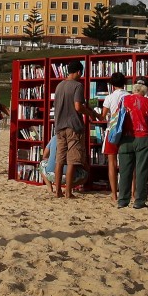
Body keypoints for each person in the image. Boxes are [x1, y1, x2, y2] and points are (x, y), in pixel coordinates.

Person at [52, 60, 101, 199]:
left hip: (59, 126)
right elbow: (78, 106)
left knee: (59, 159)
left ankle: (57, 191)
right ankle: (68, 192)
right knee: (72, 160)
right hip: (73, 126)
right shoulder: (78, 86)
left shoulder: (59, 86)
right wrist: (90, 113)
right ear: (79, 72)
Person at [116, 82, 148, 209]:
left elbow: (117, 118)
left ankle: (122, 200)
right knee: (141, 170)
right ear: (144, 92)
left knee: (124, 171)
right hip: (143, 138)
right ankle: (139, 201)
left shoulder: (124, 100)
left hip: (125, 139)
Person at [100, 72, 130, 203]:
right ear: (125, 83)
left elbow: (102, 116)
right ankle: (131, 192)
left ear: (112, 85)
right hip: (127, 132)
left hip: (112, 131)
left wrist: (93, 113)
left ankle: (114, 194)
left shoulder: (109, 97)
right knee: (129, 163)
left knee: (112, 163)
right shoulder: (129, 96)